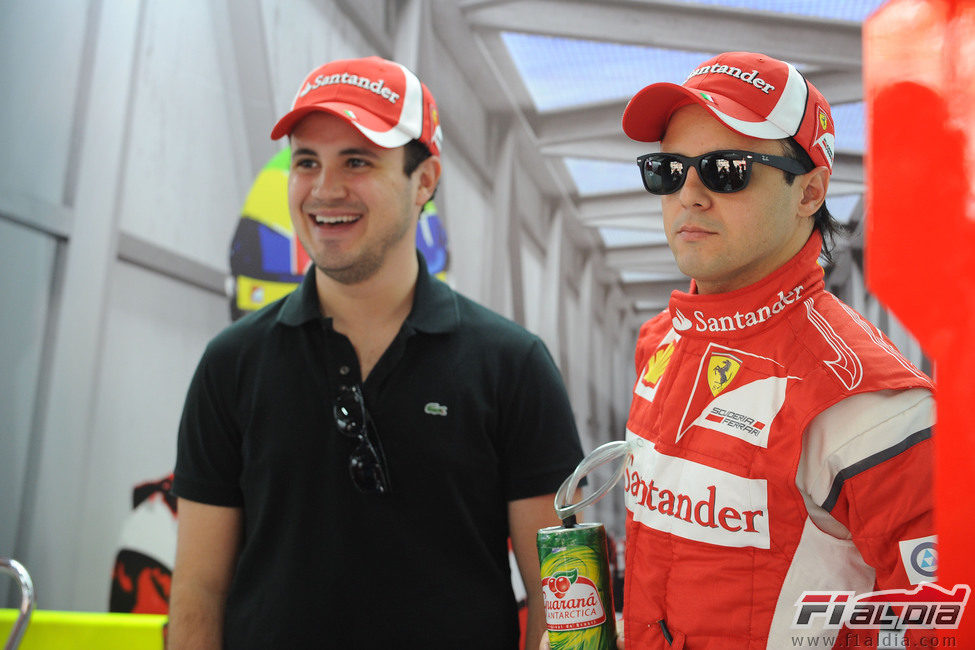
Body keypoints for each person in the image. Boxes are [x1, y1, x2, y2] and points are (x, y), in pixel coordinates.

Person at [168, 55, 585, 649]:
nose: (324, 190)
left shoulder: (512, 366)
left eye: (357, 161)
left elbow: (562, 596)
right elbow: (198, 592)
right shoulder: (231, 364)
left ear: (425, 180)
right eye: (306, 161)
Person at [616, 52, 936, 648]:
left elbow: (942, 620)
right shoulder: (659, 340)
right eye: (667, 169)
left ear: (810, 191)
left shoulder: (872, 400)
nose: (689, 194)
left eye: (727, 169)